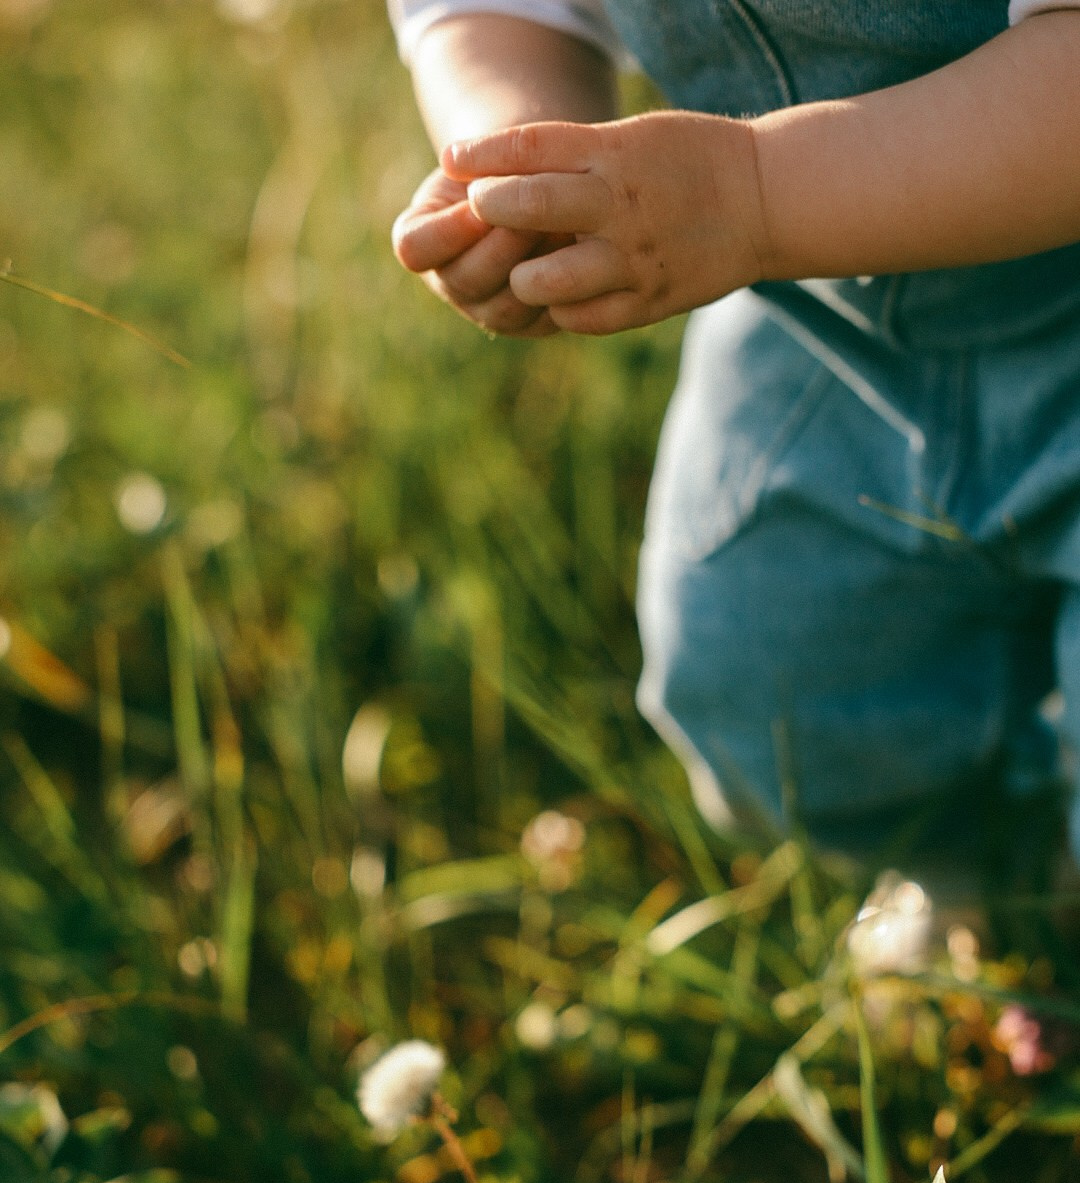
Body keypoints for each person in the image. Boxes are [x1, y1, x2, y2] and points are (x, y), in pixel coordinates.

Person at [386, 1, 1080, 879]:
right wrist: (521, 157)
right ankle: (982, 875)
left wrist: (749, 193)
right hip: (823, 317)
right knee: (765, 682)